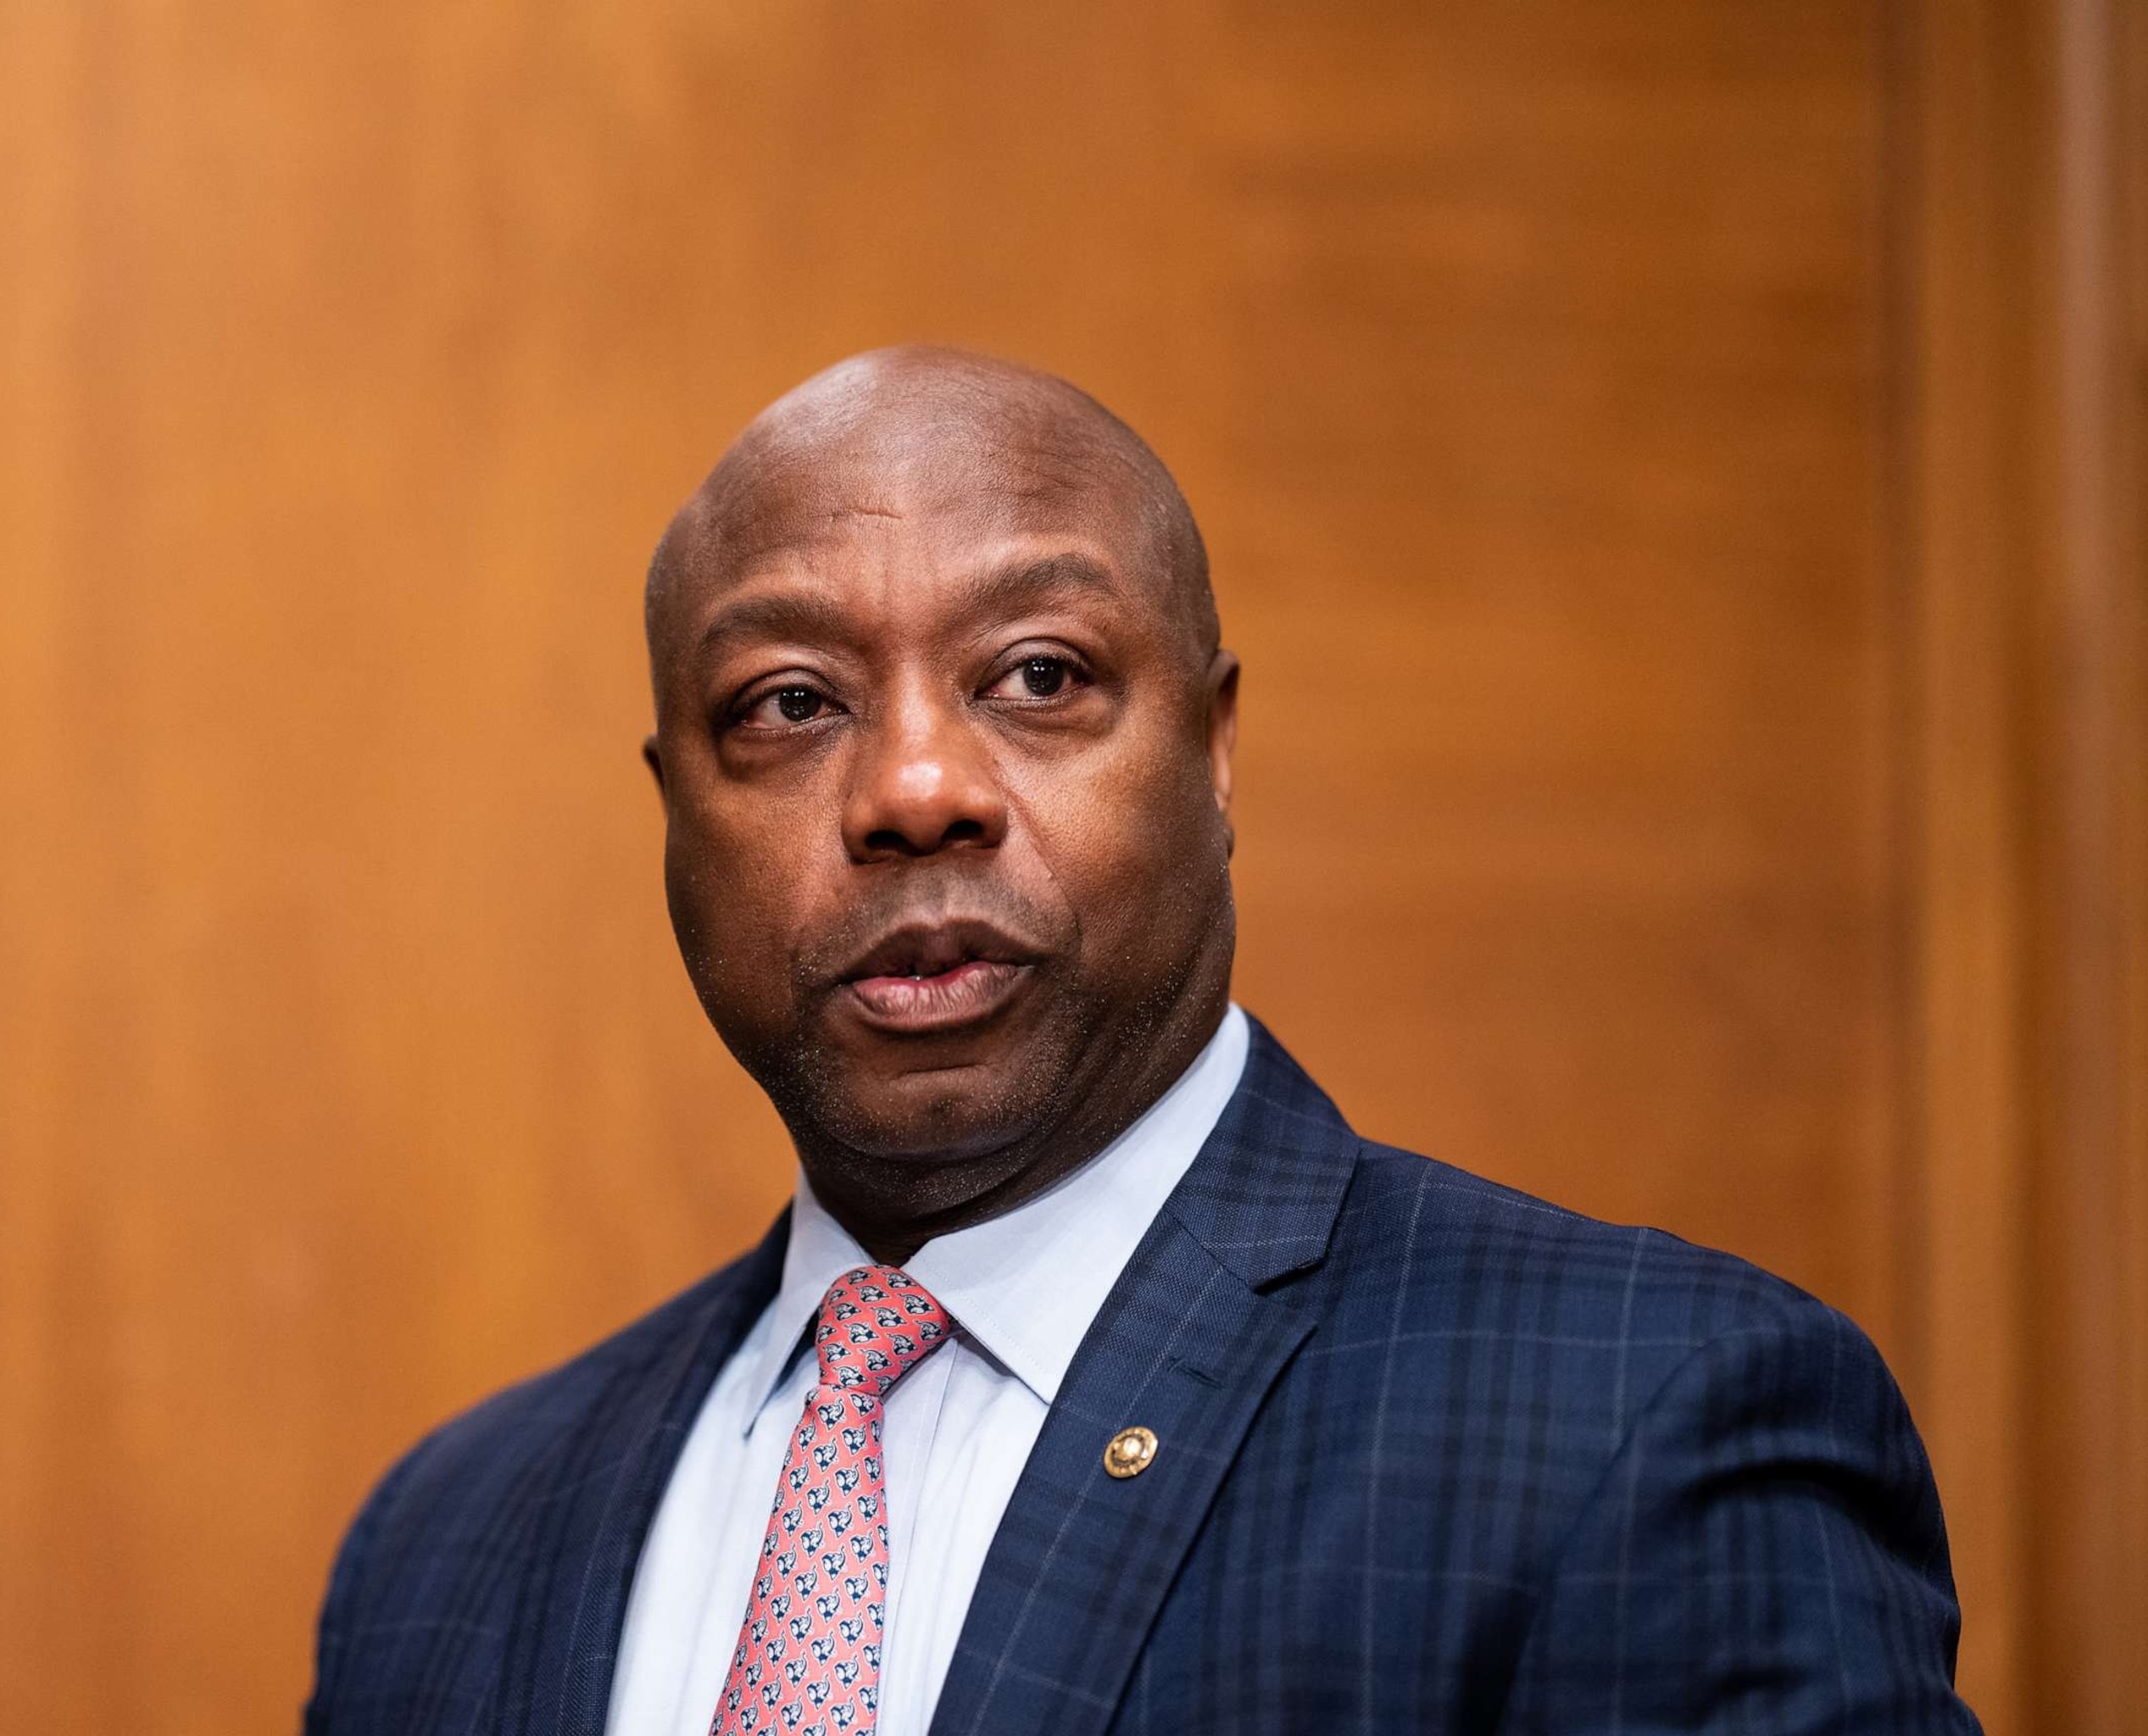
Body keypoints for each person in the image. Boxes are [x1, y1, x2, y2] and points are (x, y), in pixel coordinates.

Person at [303, 348, 1977, 1734]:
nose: (912, 790)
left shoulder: (1647, 1424)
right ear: (678, 813)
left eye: (1037, 675)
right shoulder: (450, 1545)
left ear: (1216, 749)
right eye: (791, 703)